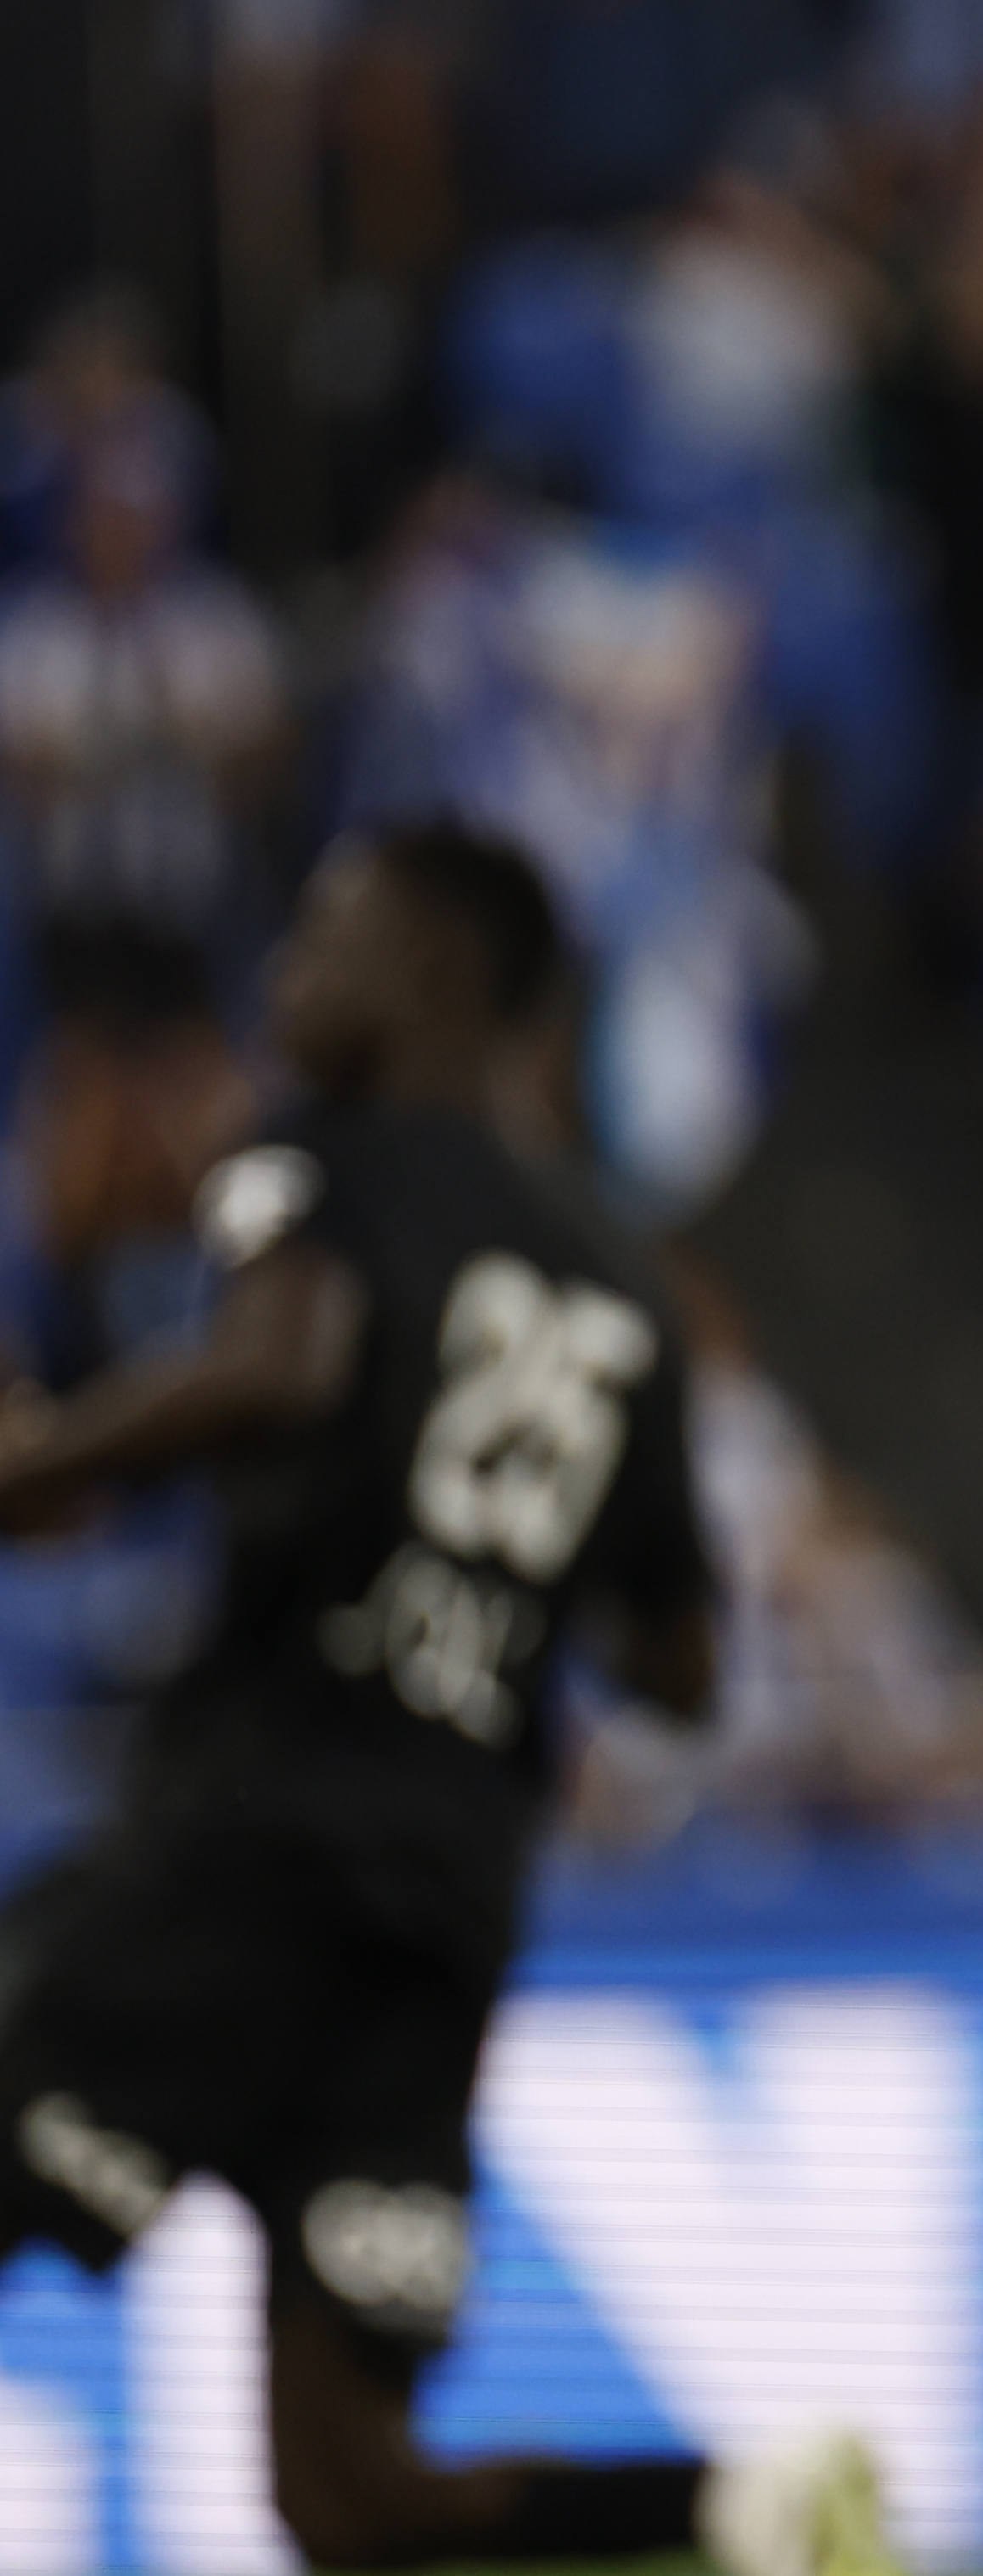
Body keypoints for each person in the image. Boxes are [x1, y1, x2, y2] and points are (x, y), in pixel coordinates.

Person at [0, 822, 892, 2576]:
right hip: (442, 1909)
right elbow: (683, 1665)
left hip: (251, 1846)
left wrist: (35, 1467)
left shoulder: (318, 1151)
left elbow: (282, 1362)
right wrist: (499, 1574)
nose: (286, 970)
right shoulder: (628, 1287)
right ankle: (744, 2511)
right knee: (349, 2493)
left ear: (431, 972)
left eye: (325, 933)